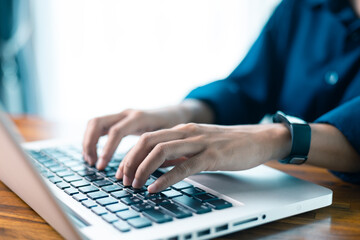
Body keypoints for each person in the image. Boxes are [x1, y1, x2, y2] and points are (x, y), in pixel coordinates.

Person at [82, 0, 360, 193]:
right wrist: (181, 114)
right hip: (287, 193)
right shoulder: (301, 7)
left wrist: (272, 139)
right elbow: (247, 89)